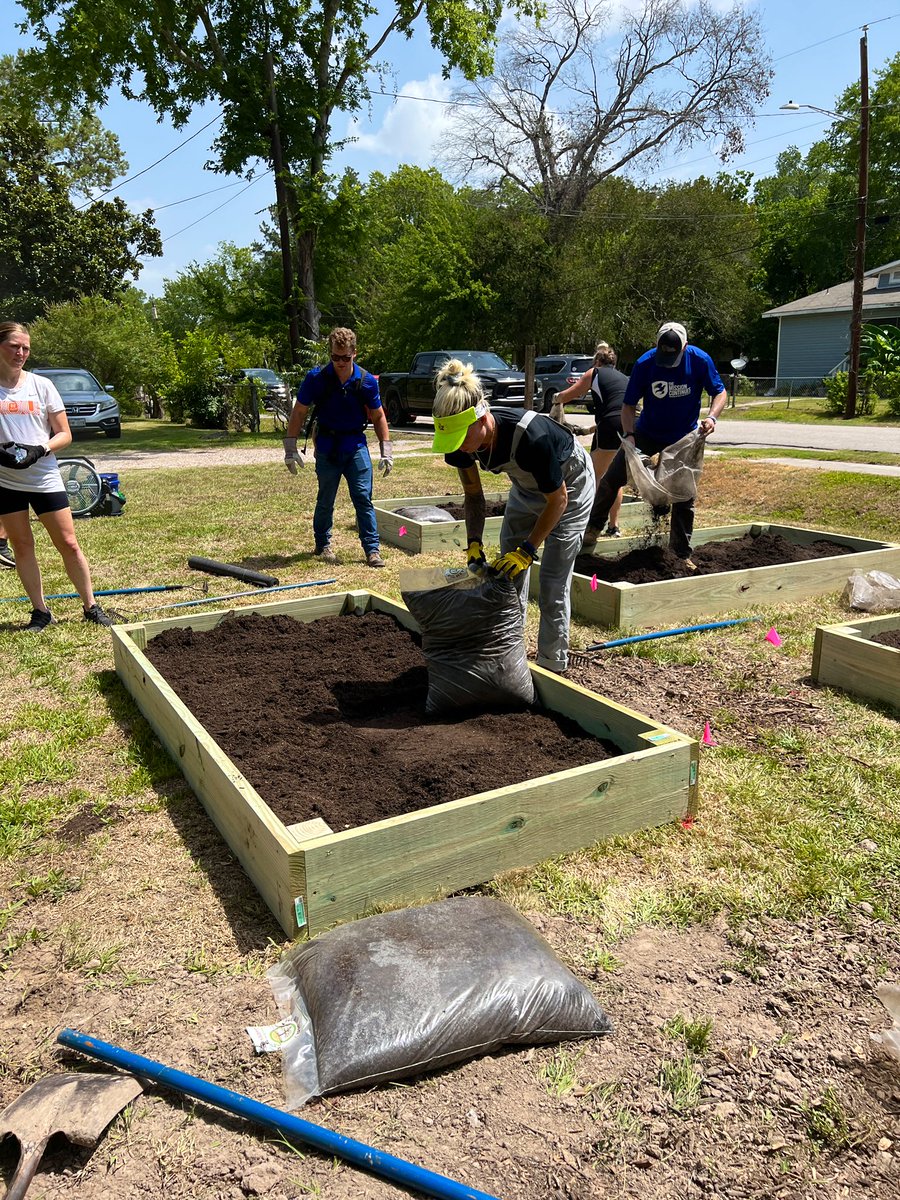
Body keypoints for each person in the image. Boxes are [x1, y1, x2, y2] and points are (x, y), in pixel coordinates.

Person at [432, 358, 595, 675]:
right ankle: (510, 658)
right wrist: (474, 543)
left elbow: (558, 500)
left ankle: (552, 666)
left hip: (570, 484)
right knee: (507, 575)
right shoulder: (460, 446)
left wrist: (528, 549)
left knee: (552, 581)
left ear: (482, 419)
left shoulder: (532, 437)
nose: (459, 448)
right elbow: (473, 495)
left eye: (462, 438)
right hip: (526, 486)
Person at [582, 322, 726, 567]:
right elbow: (628, 405)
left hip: (683, 437)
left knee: (684, 495)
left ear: (685, 347)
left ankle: (680, 555)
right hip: (648, 431)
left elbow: (719, 392)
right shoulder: (645, 363)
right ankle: (590, 534)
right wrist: (629, 435)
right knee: (612, 478)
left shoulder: (700, 360)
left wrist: (712, 417)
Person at [0, 321, 112, 630]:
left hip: (44, 478)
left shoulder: (42, 385)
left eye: (26, 348)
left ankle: (90, 606)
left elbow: (64, 434)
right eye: (14, 346)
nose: (21, 353)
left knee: (69, 543)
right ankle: (41, 611)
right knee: (22, 546)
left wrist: (39, 449)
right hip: (6, 482)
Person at [282, 327, 392, 568]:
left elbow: (378, 415)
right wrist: (290, 448)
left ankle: (372, 550)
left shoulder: (366, 381)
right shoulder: (316, 379)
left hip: (355, 445)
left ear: (355, 353)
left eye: (345, 357)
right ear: (330, 354)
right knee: (325, 498)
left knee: (363, 497)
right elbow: (299, 411)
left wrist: (386, 450)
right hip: (327, 446)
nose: (340, 362)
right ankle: (323, 544)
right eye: (335, 357)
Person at [556, 341, 629, 536]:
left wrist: (556, 400)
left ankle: (589, 524)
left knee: (594, 476)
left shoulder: (594, 373)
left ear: (597, 361)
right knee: (614, 478)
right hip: (630, 425)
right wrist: (589, 429)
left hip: (610, 425)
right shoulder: (623, 378)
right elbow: (618, 409)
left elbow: (569, 395)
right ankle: (613, 526)